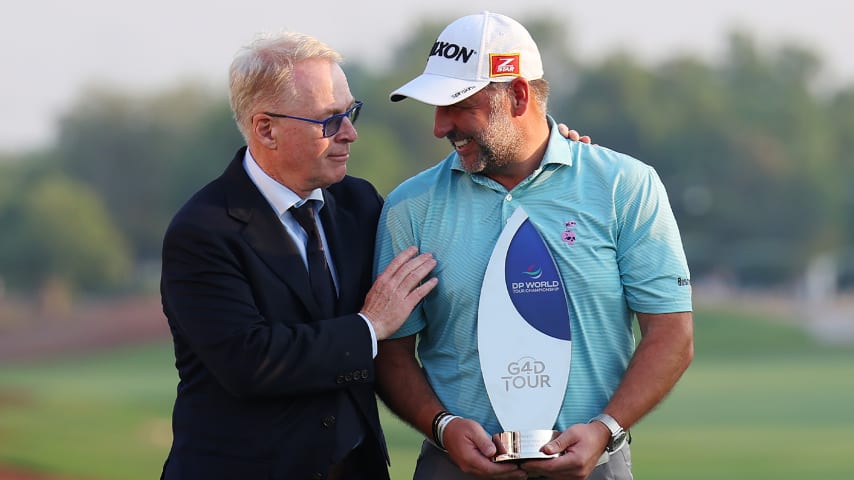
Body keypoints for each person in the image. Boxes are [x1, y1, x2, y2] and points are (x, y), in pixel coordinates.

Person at [373, 11, 694, 480]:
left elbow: (671, 334)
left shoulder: (625, 185)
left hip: (595, 465)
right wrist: (442, 427)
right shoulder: (409, 206)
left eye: (459, 105)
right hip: (454, 468)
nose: (440, 127)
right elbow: (391, 351)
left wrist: (605, 429)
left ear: (518, 96)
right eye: (436, 108)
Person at [159, 32, 440, 480]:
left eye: (351, 112)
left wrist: (544, 157)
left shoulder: (360, 203)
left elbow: (445, 236)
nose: (351, 133)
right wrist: (368, 327)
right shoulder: (202, 231)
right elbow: (250, 363)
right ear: (266, 128)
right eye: (329, 121)